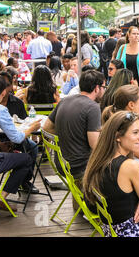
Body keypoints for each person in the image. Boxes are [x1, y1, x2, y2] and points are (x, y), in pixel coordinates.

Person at [42, 70, 105, 210]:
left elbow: (46, 128)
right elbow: (95, 145)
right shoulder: (93, 107)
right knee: (116, 167)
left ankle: (81, 206)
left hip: (62, 164)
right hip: (80, 167)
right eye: (103, 88)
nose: (104, 91)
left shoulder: (64, 101)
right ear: (96, 88)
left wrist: (68, 134)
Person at [0, 74, 41, 211]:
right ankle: (0, 198)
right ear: (3, 92)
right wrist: (32, 128)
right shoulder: (0, 109)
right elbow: (17, 138)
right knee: (26, 158)